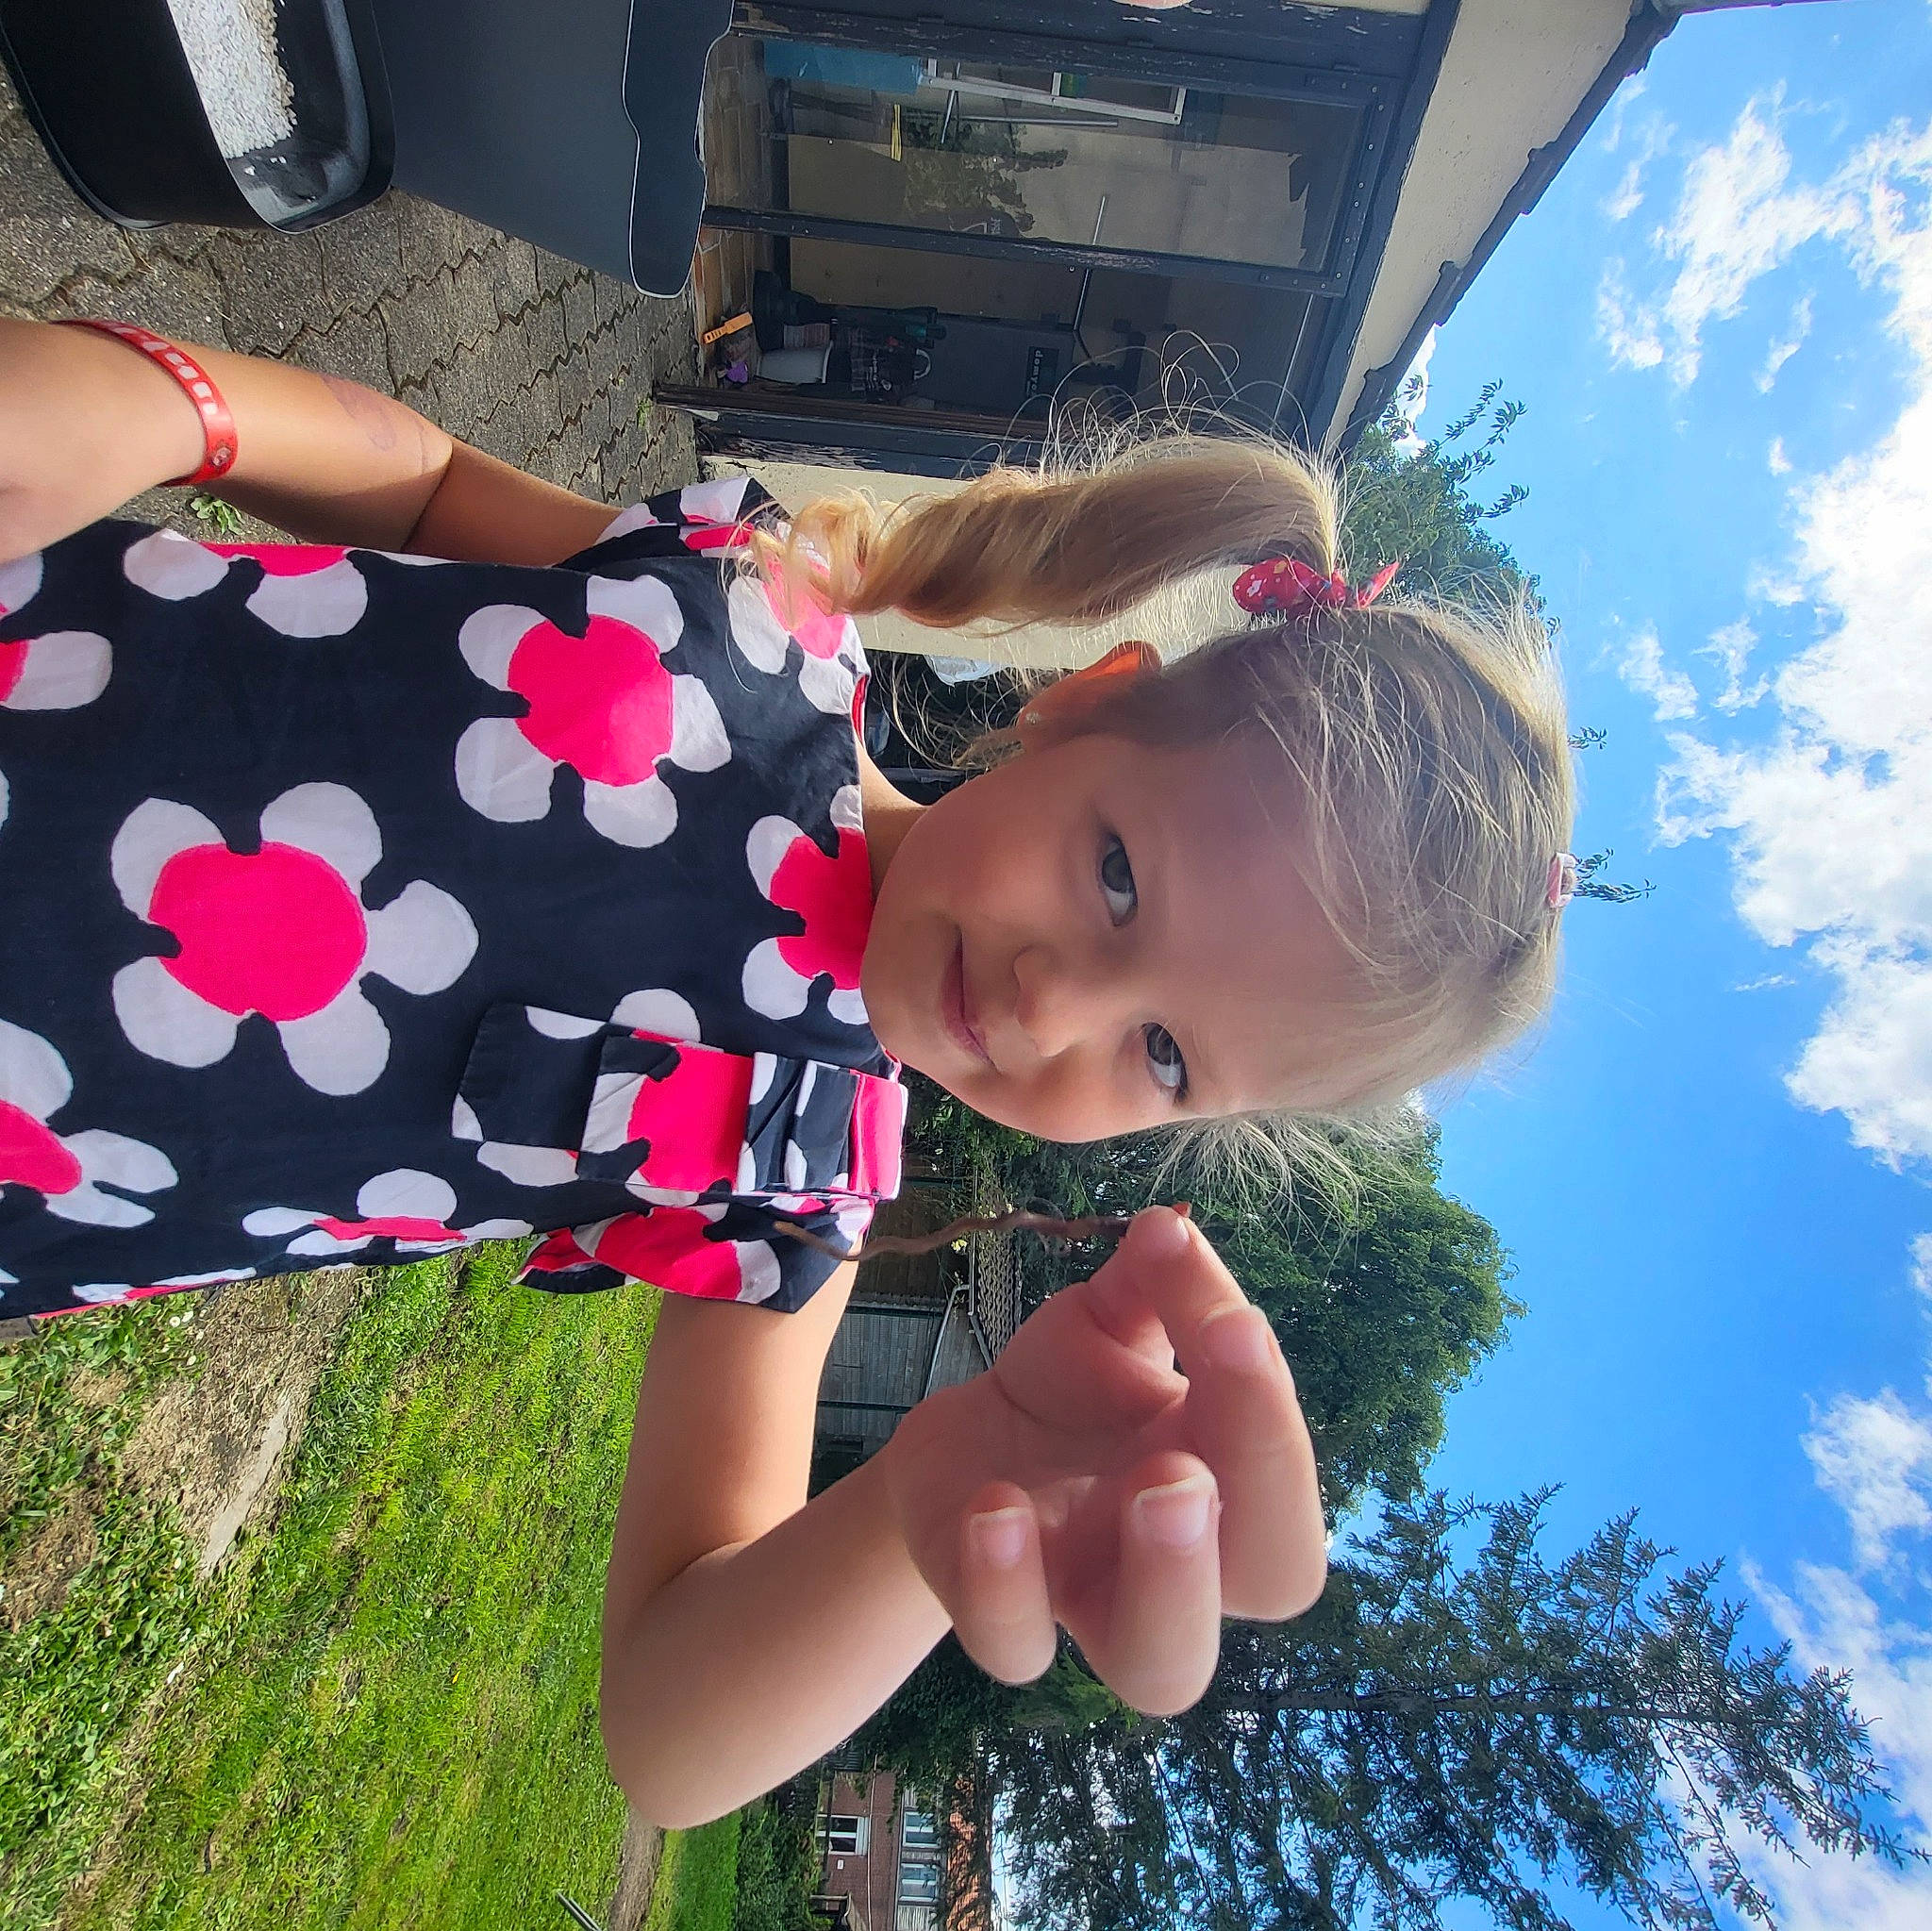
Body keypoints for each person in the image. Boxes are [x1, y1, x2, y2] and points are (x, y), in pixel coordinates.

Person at [0, 315, 1574, 1824]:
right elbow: (417, 485)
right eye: (1117, 880)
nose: (1051, 1004)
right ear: (1088, 700)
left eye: (1162, 1054)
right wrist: (170, 407)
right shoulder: (747, 617)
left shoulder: (792, 1159)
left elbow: (670, 1733)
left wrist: (913, 1514)